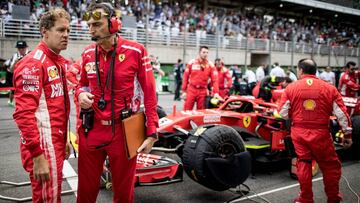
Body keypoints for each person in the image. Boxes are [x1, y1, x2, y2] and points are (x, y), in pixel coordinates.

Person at [76, 3, 158, 202]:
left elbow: (149, 93)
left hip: (123, 132)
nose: (91, 29)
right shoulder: (87, 53)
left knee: (123, 194)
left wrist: (152, 132)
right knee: (85, 193)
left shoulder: (136, 51)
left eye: (96, 24)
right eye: (89, 25)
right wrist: (79, 94)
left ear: (113, 23)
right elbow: (81, 85)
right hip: (91, 129)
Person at [12, 8, 71, 202]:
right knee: (48, 199)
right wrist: (37, 155)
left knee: (52, 196)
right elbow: (23, 114)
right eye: (61, 30)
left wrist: (65, 141)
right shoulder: (33, 64)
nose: (66, 35)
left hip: (56, 143)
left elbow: (59, 106)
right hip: (43, 148)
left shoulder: (57, 61)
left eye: (68, 31)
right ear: (44, 31)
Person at [278, 58, 352, 203]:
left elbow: (282, 113)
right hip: (321, 133)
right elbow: (342, 115)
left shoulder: (291, 88)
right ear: (315, 71)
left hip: (299, 133)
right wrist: (347, 134)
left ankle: (305, 199)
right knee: (330, 165)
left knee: (304, 162)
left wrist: (297, 114)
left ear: (300, 70)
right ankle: (333, 198)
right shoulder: (329, 88)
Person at [181, 46, 220, 110]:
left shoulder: (210, 65)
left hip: (203, 91)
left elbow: (215, 80)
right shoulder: (192, 63)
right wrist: (184, 91)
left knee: (201, 112)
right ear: (199, 53)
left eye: (207, 52)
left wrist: (216, 92)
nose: (205, 54)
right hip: (191, 89)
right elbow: (185, 77)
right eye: (204, 52)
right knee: (187, 110)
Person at [5, 40, 30, 106]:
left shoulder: (30, 54)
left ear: (26, 48)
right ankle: (10, 101)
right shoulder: (15, 56)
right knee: (13, 90)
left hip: (26, 74)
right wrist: (16, 62)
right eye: (19, 48)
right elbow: (11, 70)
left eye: (23, 48)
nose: (21, 50)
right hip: (13, 74)